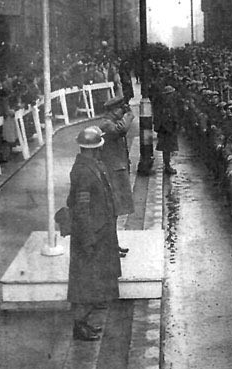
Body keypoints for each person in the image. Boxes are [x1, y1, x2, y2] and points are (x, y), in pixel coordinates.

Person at [67, 126, 121, 341]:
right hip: (90, 235)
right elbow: (81, 208)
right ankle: (79, 326)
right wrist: (88, 238)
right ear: (94, 148)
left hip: (99, 232)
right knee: (85, 284)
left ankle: (84, 323)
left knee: (94, 281)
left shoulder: (92, 166)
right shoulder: (83, 171)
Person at [99, 95, 134, 257]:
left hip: (116, 171)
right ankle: (110, 246)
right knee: (111, 213)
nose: (123, 112)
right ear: (114, 110)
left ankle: (113, 244)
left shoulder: (111, 122)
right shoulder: (106, 124)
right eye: (121, 109)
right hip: (111, 173)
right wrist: (129, 115)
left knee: (115, 213)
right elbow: (121, 130)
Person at [154, 85, 179, 174]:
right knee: (167, 149)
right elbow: (164, 117)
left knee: (168, 149)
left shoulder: (167, 103)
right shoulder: (166, 105)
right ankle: (167, 166)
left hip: (168, 129)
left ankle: (167, 165)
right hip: (166, 130)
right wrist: (169, 128)